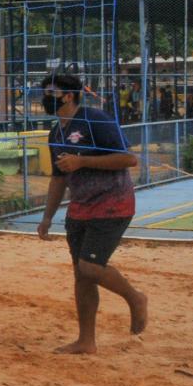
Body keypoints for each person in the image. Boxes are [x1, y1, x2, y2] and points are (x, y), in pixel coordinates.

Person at [35, 72, 147, 354]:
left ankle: (135, 298)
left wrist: (82, 161)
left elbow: (129, 159)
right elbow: (59, 178)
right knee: (81, 276)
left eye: (50, 93)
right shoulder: (56, 132)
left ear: (68, 95)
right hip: (81, 206)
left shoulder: (95, 119)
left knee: (91, 267)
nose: (45, 99)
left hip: (113, 202)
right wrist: (47, 217)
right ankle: (86, 341)